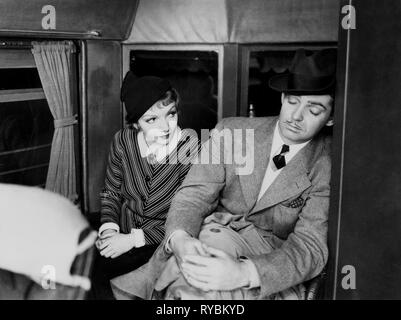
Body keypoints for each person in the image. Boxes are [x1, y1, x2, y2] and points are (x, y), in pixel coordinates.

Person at [110, 48, 336, 300]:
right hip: (213, 234)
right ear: (283, 98)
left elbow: (309, 245)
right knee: (190, 289)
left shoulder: (329, 164)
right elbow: (194, 196)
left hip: (269, 262)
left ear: (331, 118)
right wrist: (181, 239)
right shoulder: (231, 131)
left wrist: (244, 273)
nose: (296, 116)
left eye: (314, 110)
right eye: (292, 101)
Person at [90, 72, 198, 299]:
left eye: (171, 114)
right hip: (123, 230)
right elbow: (111, 191)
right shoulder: (123, 140)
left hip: (163, 241)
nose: (166, 127)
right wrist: (110, 229)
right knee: (86, 274)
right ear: (136, 124)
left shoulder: (188, 146)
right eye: (151, 119)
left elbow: (189, 215)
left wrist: (132, 240)